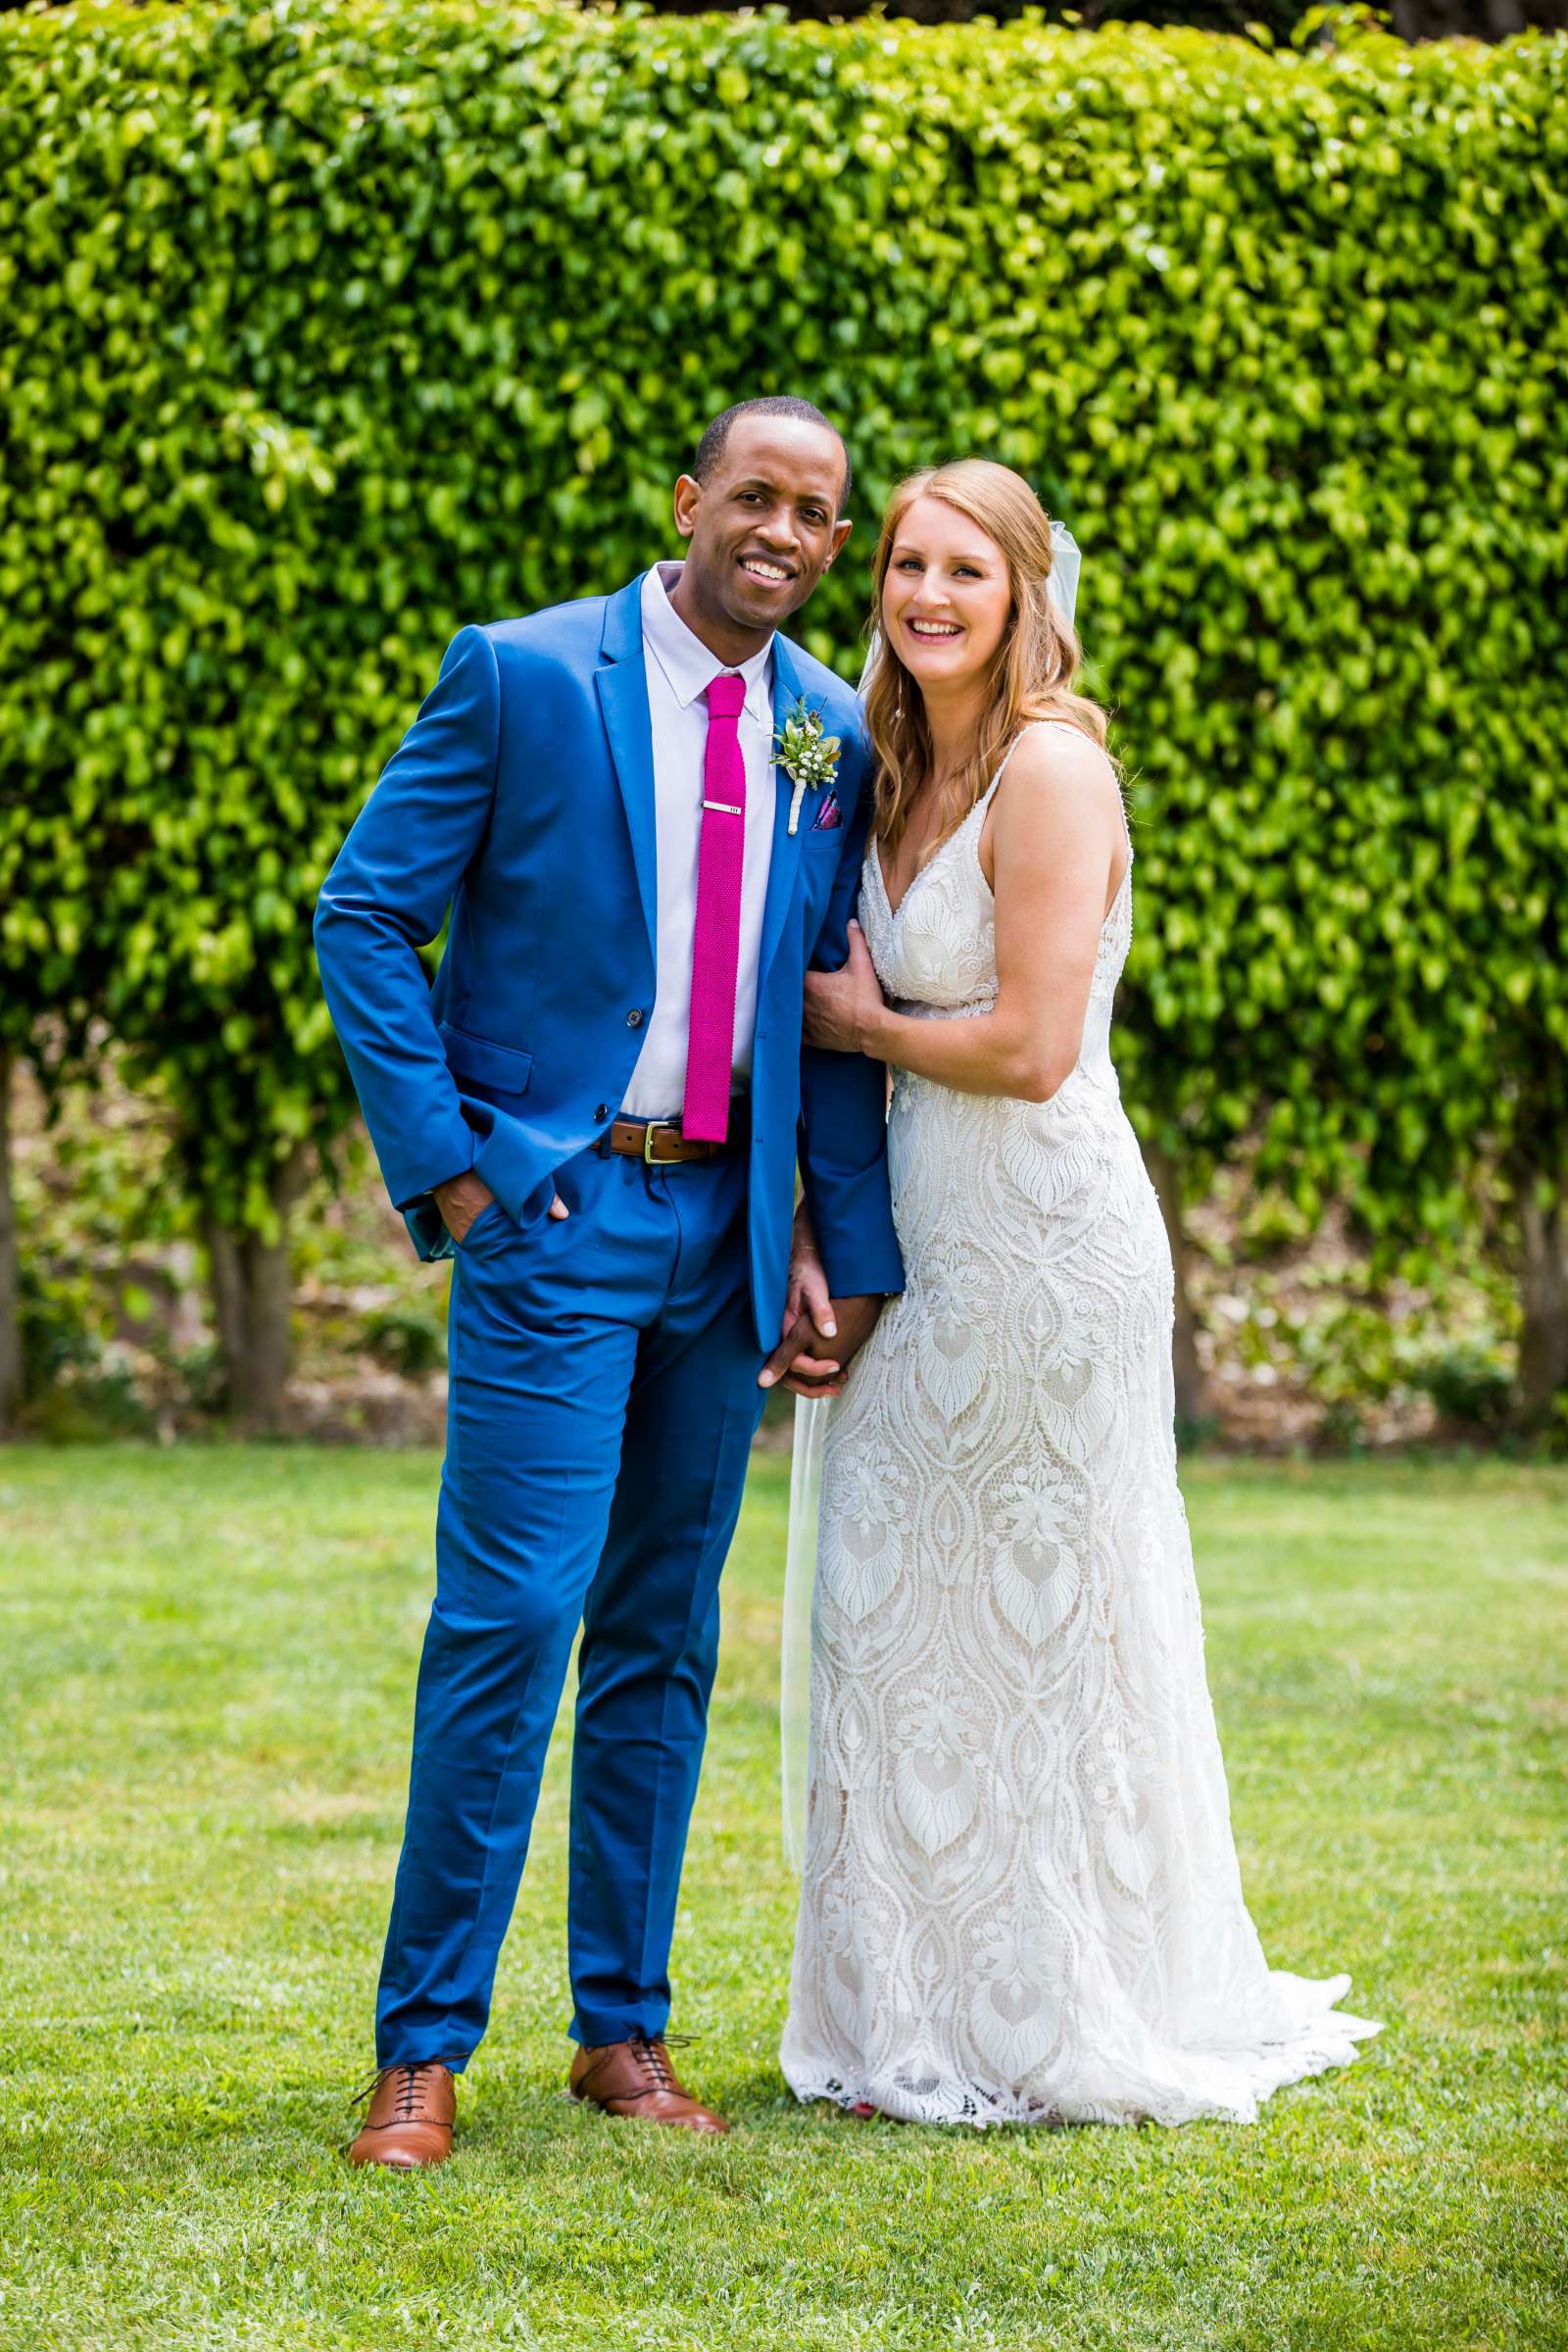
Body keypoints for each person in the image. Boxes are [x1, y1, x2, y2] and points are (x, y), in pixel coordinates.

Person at [314, 396, 903, 2165]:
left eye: (816, 515)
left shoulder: (827, 733)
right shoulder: (521, 673)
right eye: (757, 498)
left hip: (722, 1245)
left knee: (664, 1638)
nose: (784, 535)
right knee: (509, 1627)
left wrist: (837, 1246)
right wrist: (460, 1174)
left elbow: (832, 1010)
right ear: (689, 503)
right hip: (555, 1228)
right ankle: (422, 2050)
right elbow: (365, 913)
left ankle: (623, 2035)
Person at [779, 459, 1380, 2127]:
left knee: (1048, 1623)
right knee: (892, 1615)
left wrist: (864, 1027)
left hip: (1045, 1246)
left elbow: (1036, 1047)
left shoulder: (1050, 770)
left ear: (1025, 587)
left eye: (964, 566)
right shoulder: (890, 766)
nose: (927, 594)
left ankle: (1055, 2008)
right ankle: (908, 2007)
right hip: (923, 1242)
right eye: (905, 564)